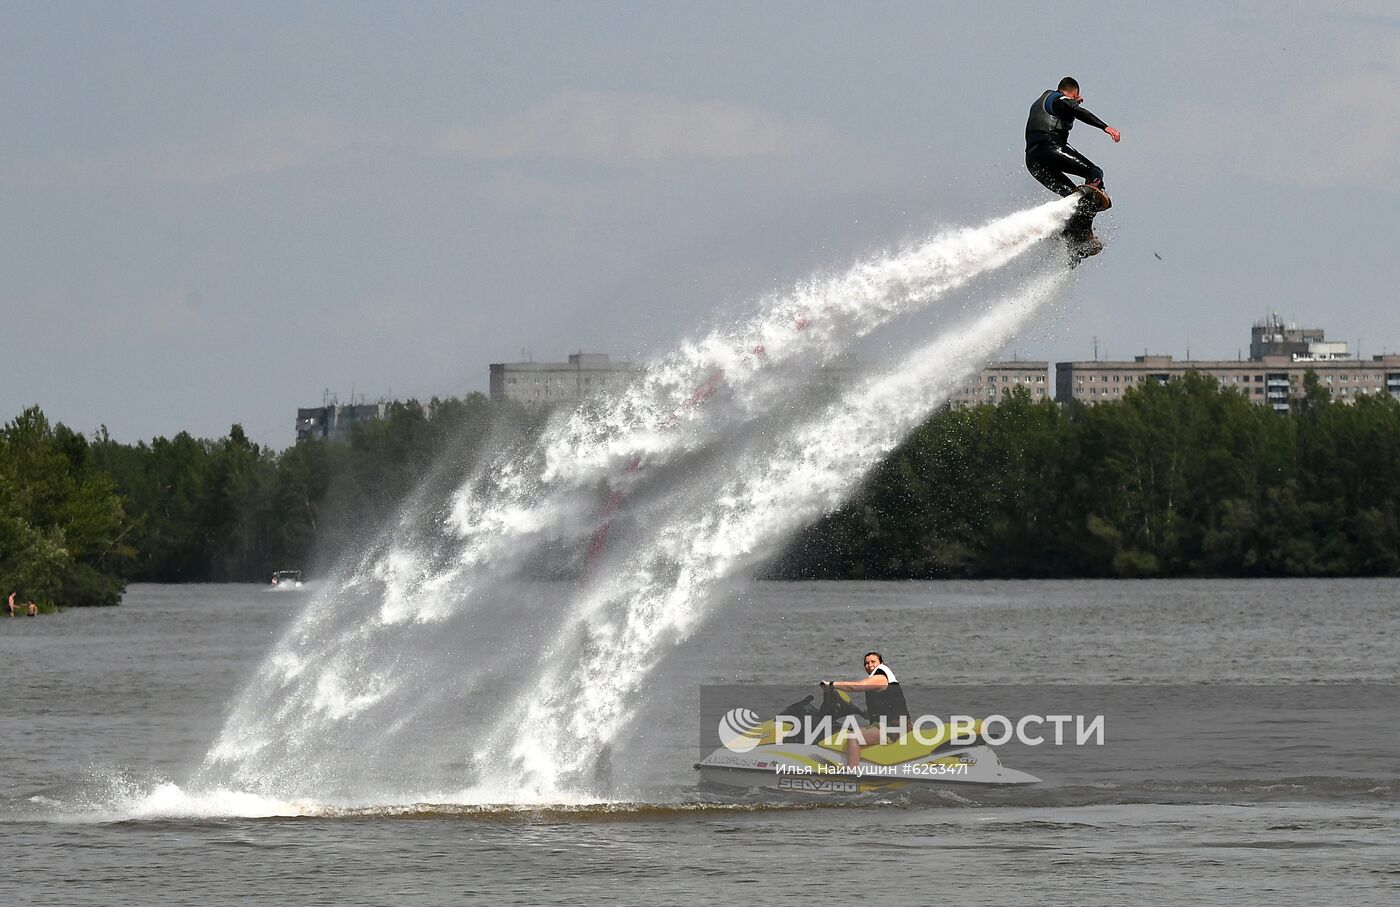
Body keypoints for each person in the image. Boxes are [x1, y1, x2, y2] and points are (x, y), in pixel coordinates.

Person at [1025, 76, 1121, 199]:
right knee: (1094, 172)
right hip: (1050, 147)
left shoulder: (1041, 101)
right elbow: (1076, 110)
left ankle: (1070, 215)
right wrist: (1105, 127)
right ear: (1075, 94)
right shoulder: (1059, 99)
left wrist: (1073, 102)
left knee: (1074, 198)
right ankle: (1093, 193)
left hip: (1032, 161)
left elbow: (1066, 108)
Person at [821, 651, 911, 767]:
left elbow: (855, 687)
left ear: (881, 663)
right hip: (893, 725)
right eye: (866, 663)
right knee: (849, 730)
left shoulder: (881, 677)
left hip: (895, 727)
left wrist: (832, 684)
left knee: (854, 737)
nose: (870, 665)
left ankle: (851, 775)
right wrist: (863, 713)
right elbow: (885, 707)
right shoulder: (882, 679)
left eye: (873, 661)